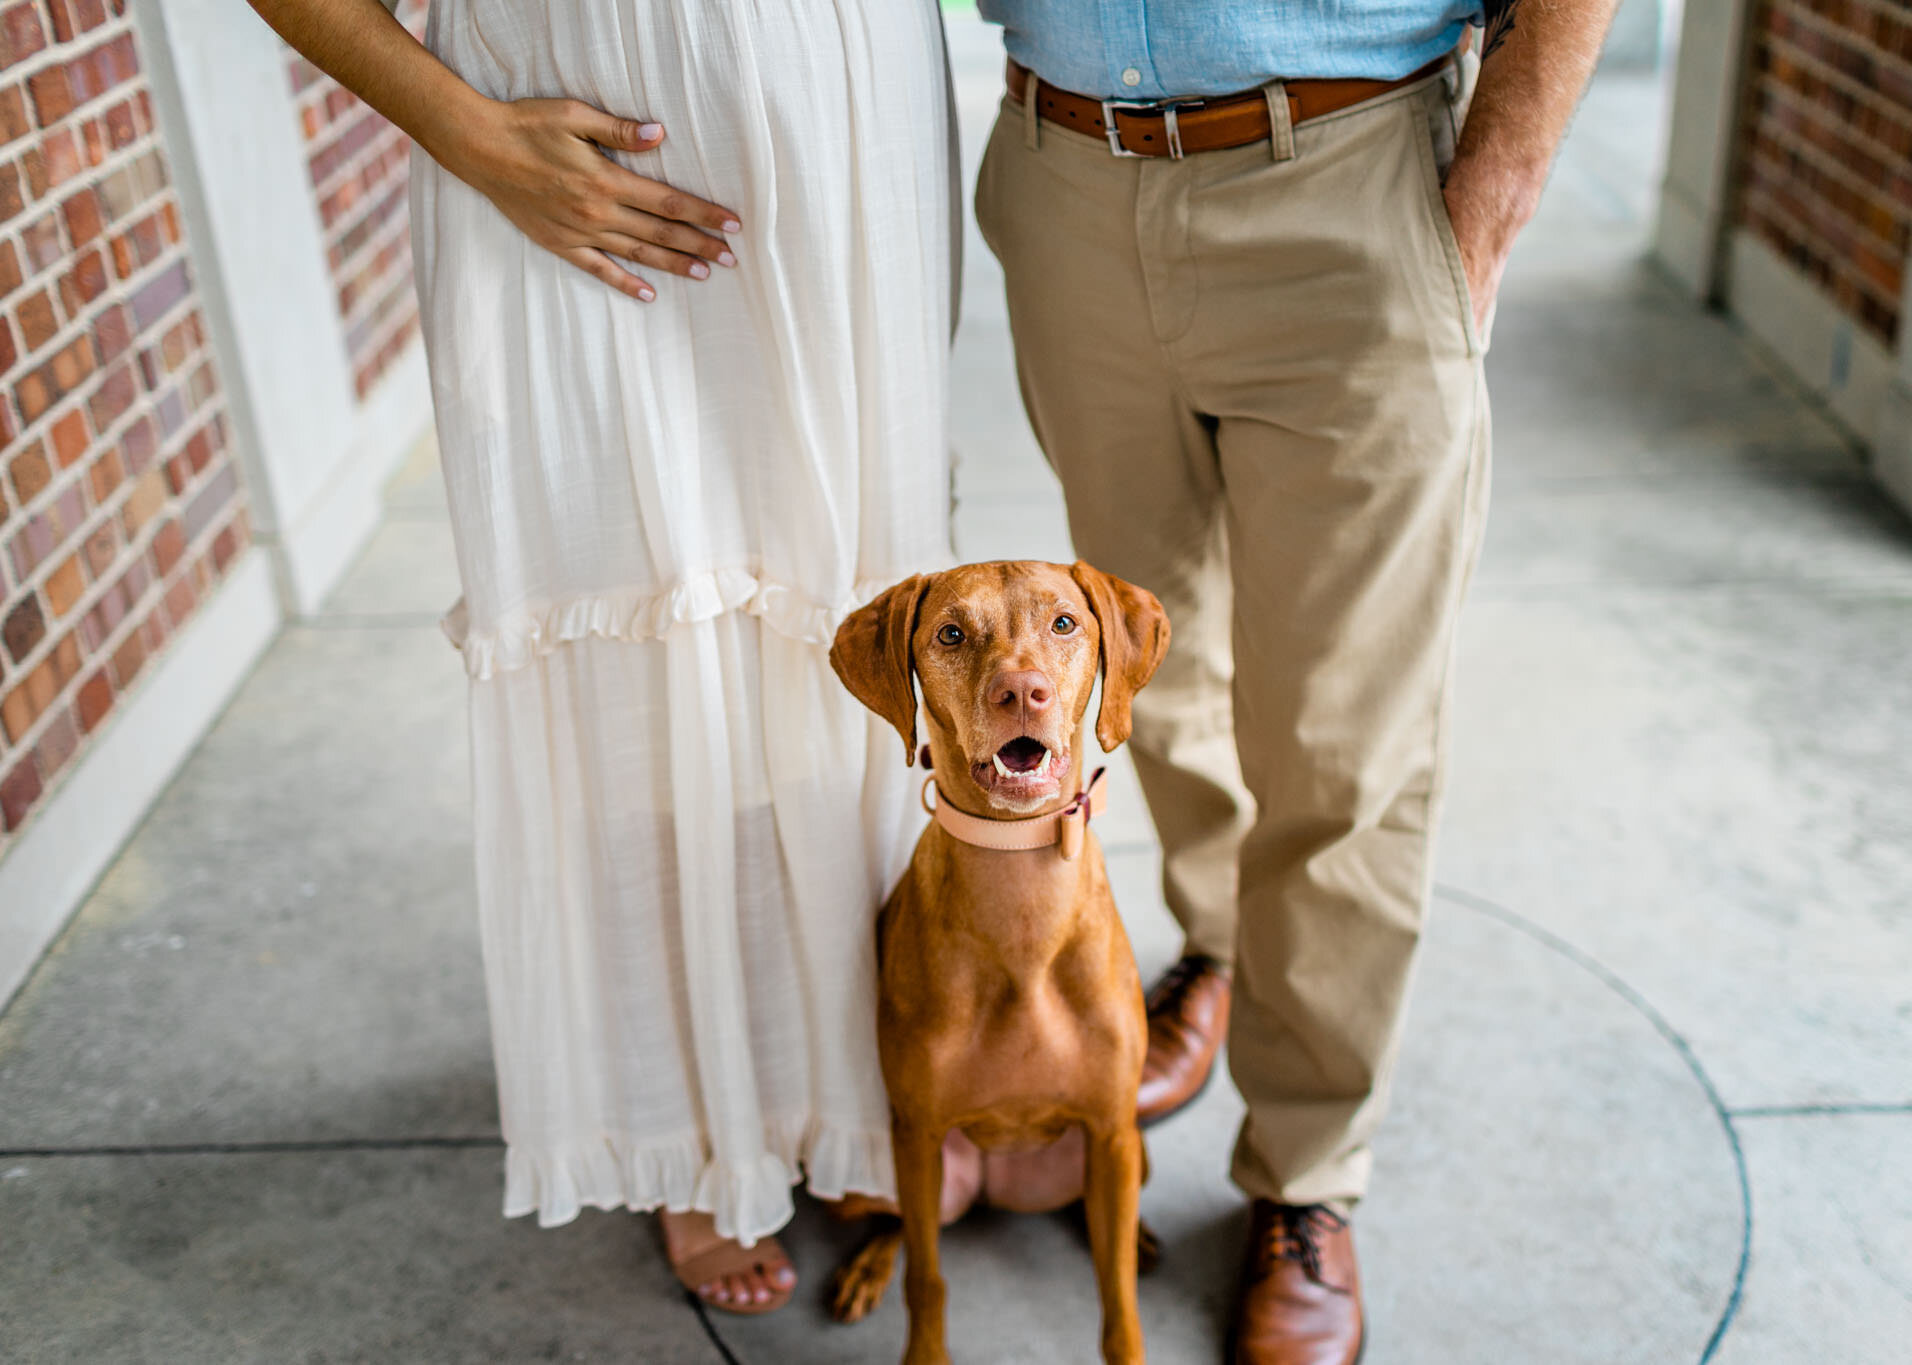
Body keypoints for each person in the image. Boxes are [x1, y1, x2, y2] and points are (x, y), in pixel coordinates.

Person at [248, 0, 956, 1315]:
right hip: (570, 140)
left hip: (844, 126)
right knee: (632, 630)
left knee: (839, 639)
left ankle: (854, 1078)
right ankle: (684, 1119)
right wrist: (470, 136)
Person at [972, 0, 1619, 1358]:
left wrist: (1490, 195)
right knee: (1151, 655)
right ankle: (1217, 936)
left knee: (1346, 742)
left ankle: (1306, 1175)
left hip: (1347, 177)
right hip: (1066, 174)